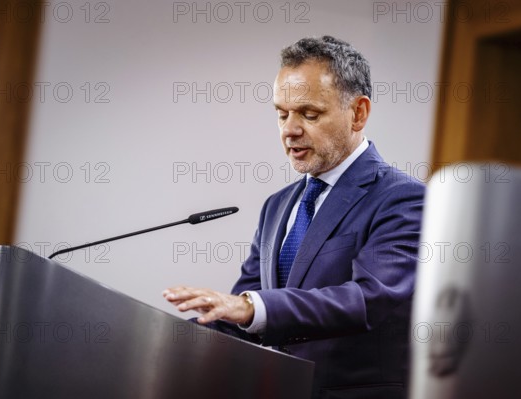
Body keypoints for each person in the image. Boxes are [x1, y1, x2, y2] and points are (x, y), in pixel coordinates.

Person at [163, 35, 425, 399]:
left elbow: (369, 301)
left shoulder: (402, 198)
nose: (289, 129)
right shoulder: (277, 206)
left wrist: (250, 307)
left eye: (309, 114)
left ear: (359, 113)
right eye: (282, 114)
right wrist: (161, 341)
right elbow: (245, 316)